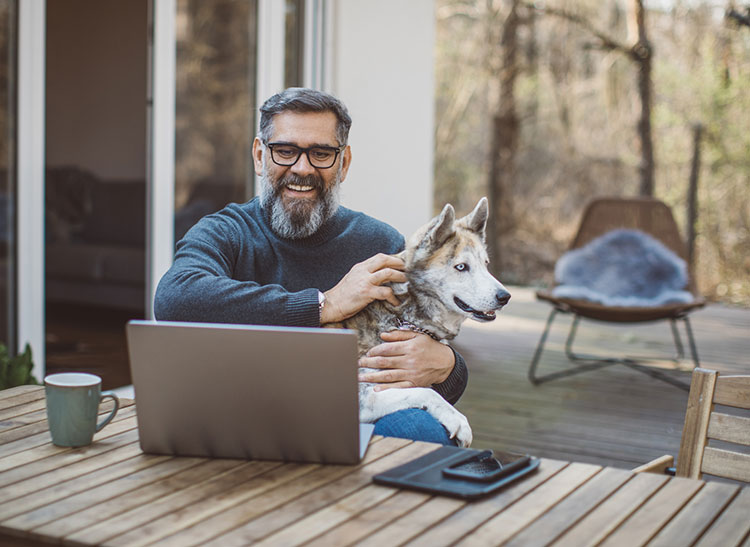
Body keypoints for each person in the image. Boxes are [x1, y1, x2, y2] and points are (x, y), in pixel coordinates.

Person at [154, 87, 468, 444]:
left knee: (422, 432)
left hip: (349, 413)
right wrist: (325, 304)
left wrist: (447, 366)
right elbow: (174, 298)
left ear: (343, 163)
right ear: (260, 156)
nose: (302, 169)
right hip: (242, 406)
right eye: (285, 151)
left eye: (321, 154)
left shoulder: (381, 245)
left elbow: (420, 360)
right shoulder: (226, 231)